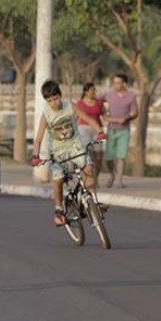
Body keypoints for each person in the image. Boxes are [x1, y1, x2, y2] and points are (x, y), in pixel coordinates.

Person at [31, 81, 106, 227]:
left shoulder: (69, 105)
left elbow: (88, 118)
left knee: (89, 170)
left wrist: (100, 132)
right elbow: (38, 138)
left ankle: (94, 203)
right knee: (58, 178)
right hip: (58, 151)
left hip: (75, 146)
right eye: (50, 100)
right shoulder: (46, 114)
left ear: (61, 95)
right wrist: (36, 156)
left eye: (56, 98)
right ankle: (59, 209)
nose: (54, 103)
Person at [102, 73, 138, 188]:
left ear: (124, 84)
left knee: (121, 156)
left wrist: (127, 118)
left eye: (118, 83)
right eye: (114, 83)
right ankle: (112, 175)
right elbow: (97, 102)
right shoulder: (109, 95)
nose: (115, 85)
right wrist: (104, 113)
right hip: (111, 129)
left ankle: (119, 180)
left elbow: (135, 113)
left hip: (124, 130)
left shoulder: (131, 97)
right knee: (108, 157)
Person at [75, 82, 105, 187]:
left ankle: (96, 178)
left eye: (94, 90)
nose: (94, 92)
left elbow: (104, 115)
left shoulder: (99, 103)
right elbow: (75, 118)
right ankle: (87, 178)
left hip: (97, 129)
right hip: (84, 129)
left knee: (99, 157)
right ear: (86, 92)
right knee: (87, 156)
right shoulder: (80, 104)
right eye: (92, 90)